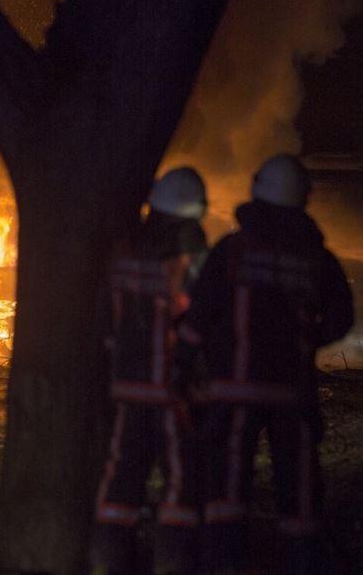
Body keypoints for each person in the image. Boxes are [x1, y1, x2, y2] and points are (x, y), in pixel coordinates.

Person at [175, 153, 354, 573]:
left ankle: (225, 560)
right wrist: (308, 341)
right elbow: (342, 317)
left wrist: (183, 359)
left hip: (234, 388)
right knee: (299, 481)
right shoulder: (316, 257)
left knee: (228, 478)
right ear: (301, 199)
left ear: (257, 190)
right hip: (292, 391)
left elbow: (200, 313)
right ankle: (302, 560)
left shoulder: (233, 250)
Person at [90, 167, 209, 575]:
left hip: (127, 386)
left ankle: (107, 563)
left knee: (121, 480)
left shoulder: (123, 250)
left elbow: (105, 318)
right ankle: (171, 564)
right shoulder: (189, 255)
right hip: (170, 388)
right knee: (181, 481)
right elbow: (202, 321)